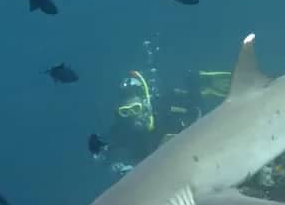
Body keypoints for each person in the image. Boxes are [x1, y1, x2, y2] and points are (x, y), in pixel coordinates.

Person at [99, 45, 231, 173]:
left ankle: (197, 82)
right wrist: (116, 163)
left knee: (193, 104)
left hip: (186, 134)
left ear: (145, 104)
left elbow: (197, 112)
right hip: (158, 160)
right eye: (125, 111)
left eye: (136, 108)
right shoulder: (123, 129)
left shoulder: (164, 106)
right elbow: (109, 150)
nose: (133, 115)